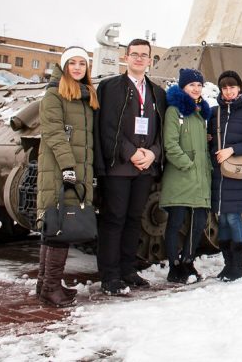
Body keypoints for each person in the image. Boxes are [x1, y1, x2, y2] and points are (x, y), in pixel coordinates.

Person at [94, 38, 167, 296]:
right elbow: (106, 127)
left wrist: (153, 153)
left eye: (143, 55)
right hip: (119, 166)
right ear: (126, 57)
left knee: (134, 220)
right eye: (134, 54)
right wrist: (131, 152)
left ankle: (128, 270)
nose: (138, 58)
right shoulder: (110, 87)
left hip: (145, 167)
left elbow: (162, 130)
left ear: (150, 60)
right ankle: (110, 275)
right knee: (114, 220)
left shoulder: (157, 92)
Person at [36, 47, 99, 307]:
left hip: (74, 168)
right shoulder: (54, 94)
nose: (76, 68)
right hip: (60, 169)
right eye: (71, 63)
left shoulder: (83, 97)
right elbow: (54, 133)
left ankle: (45, 284)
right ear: (63, 67)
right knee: (60, 227)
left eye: (81, 64)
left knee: (54, 227)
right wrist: (67, 167)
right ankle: (51, 287)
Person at [160, 68, 212, 283]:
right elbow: (170, 143)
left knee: (199, 222)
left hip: (200, 176)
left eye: (199, 85)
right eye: (192, 85)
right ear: (183, 87)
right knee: (176, 221)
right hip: (182, 175)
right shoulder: (175, 111)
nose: (196, 88)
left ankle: (188, 261)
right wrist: (187, 164)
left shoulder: (200, 112)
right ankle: (174, 266)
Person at [209, 70, 242, 282]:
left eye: (232, 87)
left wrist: (232, 149)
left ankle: (238, 266)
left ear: (239, 88)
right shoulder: (215, 112)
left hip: (237, 173)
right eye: (224, 88)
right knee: (221, 219)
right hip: (219, 173)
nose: (228, 91)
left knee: (233, 217)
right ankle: (227, 265)